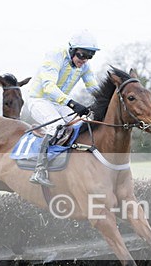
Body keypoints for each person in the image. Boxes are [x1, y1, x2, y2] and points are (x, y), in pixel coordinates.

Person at [25, 30, 99, 186]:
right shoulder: (54, 56)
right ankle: (39, 170)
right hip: (39, 99)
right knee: (55, 126)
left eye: (89, 56)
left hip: (58, 103)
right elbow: (48, 87)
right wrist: (72, 103)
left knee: (83, 124)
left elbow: (93, 87)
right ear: (72, 50)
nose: (84, 60)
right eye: (81, 55)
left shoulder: (85, 66)